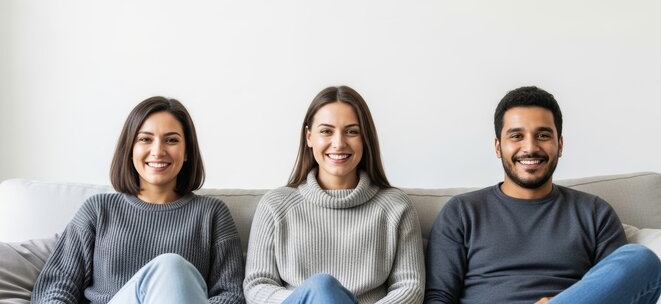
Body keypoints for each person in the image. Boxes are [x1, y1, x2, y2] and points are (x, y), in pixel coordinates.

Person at [424, 86, 661, 304]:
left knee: (641, 260)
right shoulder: (462, 212)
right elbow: (439, 297)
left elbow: (619, 292)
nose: (530, 147)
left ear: (560, 144)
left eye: (543, 135)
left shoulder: (594, 213)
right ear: (498, 147)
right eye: (516, 136)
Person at [32, 96, 245, 304]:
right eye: (145, 139)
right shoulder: (98, 210)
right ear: (130, 149)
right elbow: (57, 285)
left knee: (173, 267)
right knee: (171, 265)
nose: (158, 151)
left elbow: (231, 294)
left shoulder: (212, 214)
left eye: (171, 140)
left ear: (187, 151)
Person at [243, 86, 425, 304]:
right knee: (322, 288)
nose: (339, 143)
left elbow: (410, 287)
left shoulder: (396, 207)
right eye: (326, 131)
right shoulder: (275, 205)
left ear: (365, 139)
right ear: (309, 137)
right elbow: (257, 285)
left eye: (352, 131)